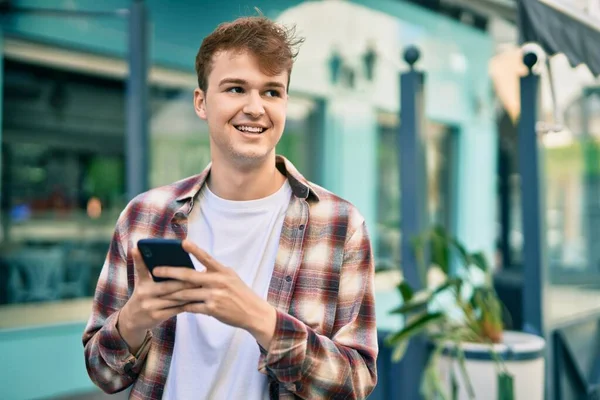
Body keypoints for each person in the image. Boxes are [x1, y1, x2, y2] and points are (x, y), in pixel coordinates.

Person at [83, 15, 378, 400]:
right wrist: (135, 318)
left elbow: (355, 383)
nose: (256, 108)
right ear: (201, 102)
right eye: (236, 88)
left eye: (272, 92)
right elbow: (103, 374)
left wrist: (261, 321)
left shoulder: (341, 224)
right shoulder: (144, 216)